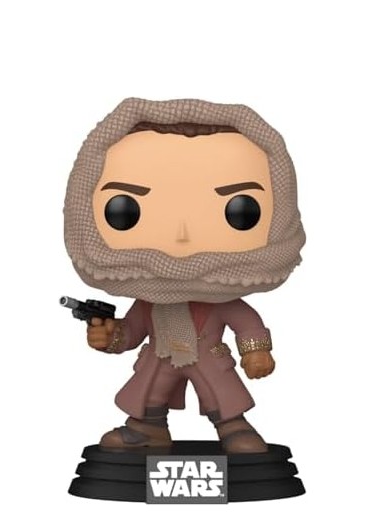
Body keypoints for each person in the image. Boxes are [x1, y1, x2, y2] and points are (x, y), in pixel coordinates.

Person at [64, 98, 305, 453]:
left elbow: (246, 322)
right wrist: (111, 336)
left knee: (220, 394)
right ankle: (147, 429)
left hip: (208, 355)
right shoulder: (148, 301)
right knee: (149, 392)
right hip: (160, 356)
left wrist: (256, 351)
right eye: (125, 210)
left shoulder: (223, 297)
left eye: (240, 211)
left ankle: (233, 428)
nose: (182, 236)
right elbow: (133, 331)